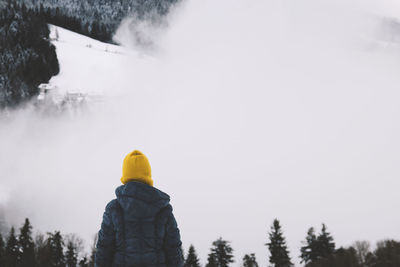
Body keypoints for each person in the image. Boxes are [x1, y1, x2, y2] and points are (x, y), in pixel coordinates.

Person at [95, 150, 183, 267]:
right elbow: (174, 251)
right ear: (148, 175)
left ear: (125, 175)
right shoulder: (164, 209)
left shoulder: (113, 209)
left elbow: (104, 251)